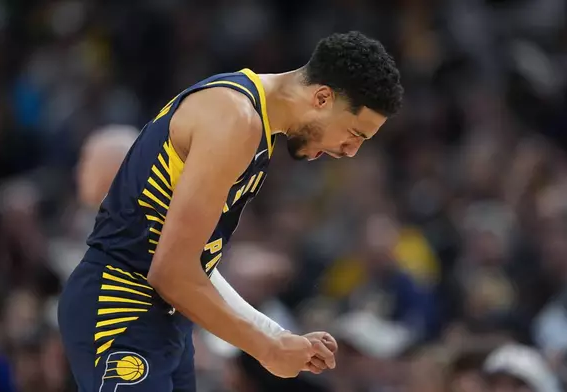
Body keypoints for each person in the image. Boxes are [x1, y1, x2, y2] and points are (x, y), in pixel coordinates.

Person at [57, 30, 403, 392]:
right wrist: (266, 348)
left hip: (165, 319)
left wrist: (277, 335)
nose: (350, 151)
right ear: (321, 98)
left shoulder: (256, 128)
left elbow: (194, 263)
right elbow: (171, 272)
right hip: (120, 302)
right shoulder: (235, 119)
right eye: (354, 134)